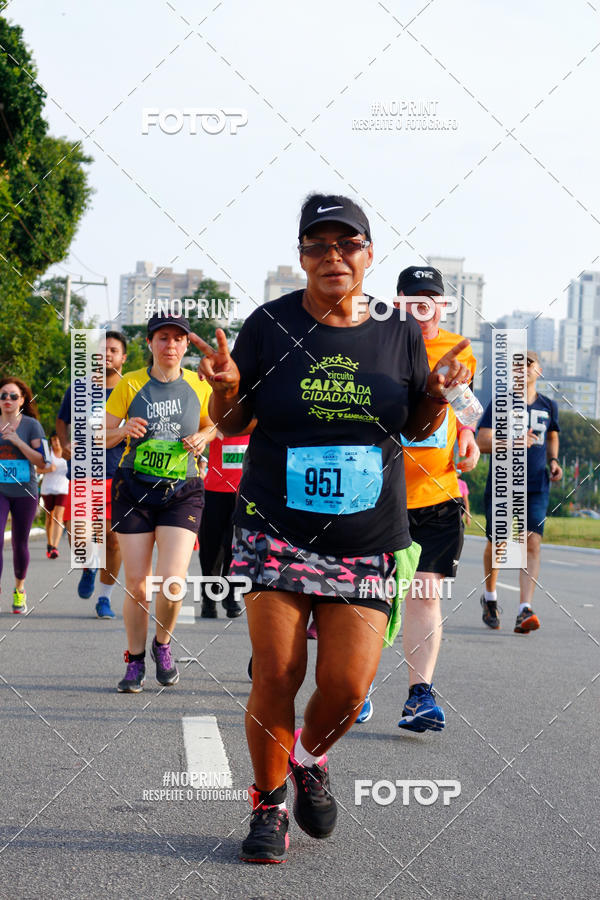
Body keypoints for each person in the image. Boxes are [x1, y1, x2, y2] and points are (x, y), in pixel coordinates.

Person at [192, 193, 472, 864]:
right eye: (317, 245)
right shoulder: (270, 324)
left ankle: (310, 758)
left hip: (365, 534)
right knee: (278, 671)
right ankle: (267, 804)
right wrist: (225, 385)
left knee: (347, 687)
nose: (333, 256)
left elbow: (415, 424)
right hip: (276, 524)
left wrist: (436, 395)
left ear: (369, 255)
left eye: (347, 244)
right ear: (301, 258)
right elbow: (232, 424)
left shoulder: (397, 332)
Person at [359, 266, 480, 732]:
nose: (423, 309)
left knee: (426, 593)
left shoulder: (458, 348)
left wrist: (467, 437)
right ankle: (356, 687)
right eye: (413, 299)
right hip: (381, 492)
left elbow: (465, 408)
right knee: (373, 596)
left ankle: (419, 696)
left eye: (431, 299)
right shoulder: (376, 342)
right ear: (399, 303)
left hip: (438, 494)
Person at [104, 311, 214, 692]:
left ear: (185, 345)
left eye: (178, 339)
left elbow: (216, 423)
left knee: (172, 583)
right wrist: (122, 429)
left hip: (182, 490)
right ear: (150, 343)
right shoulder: (130, 383)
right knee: (138, 585)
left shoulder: (199, 384)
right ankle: (134, 660)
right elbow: (99, 434)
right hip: (134, 488)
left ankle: (162, 644)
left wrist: (203, 437)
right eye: (163, 338)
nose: (171, 345)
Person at [477, 350, 562, 632]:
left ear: (539, 371)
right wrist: (513, 440)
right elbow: (482, 441)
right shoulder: (500, 403)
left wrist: (553, 461)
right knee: (499, 542)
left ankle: (524, 609)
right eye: (517, 366)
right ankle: (490, 597)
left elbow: (552, 435)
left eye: (528, 365)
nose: (523, 370)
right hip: (504, 482)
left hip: (536, 484)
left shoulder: (549, 405)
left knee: (532, 542)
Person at [57, 331, 129, 616]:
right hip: (83, 473)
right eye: (102, 350)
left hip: (118, 474)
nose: (106, 355)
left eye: (113, 350)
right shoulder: (79, 388)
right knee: (78, 534)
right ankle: (88, 565)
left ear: (123, 357)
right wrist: (64, 443)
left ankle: (104, 598)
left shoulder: (131, 390)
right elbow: (62, 420)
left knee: (113, 540)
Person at [0, 378, 48, 614]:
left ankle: (19, 588)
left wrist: (18, 441)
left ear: (22, 400)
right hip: (0, 490)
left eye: (13, 396)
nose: (7, 400)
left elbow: (42, 461)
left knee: (20, 543)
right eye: (3, 395)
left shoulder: (32, 426)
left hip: (24, 491)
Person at [199, 428, 252, 619]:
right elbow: (201, 434)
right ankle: (209, 598)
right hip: (214, 493)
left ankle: (231, 596)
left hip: (243, 493)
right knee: (211, 549)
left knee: (235, 547)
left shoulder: (254, 426)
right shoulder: (219, 423)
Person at [39, 432, 68, 558]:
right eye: (54, 439)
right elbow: (37, 469)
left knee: (58, 516)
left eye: (58, 439)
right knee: (50, 517)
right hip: (48, 489)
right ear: (51, 441)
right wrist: (48, 470)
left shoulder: (68, 452)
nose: (56, 442)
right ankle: (49, 543)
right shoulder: (47, 453)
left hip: (63, 489)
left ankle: (55, 547)